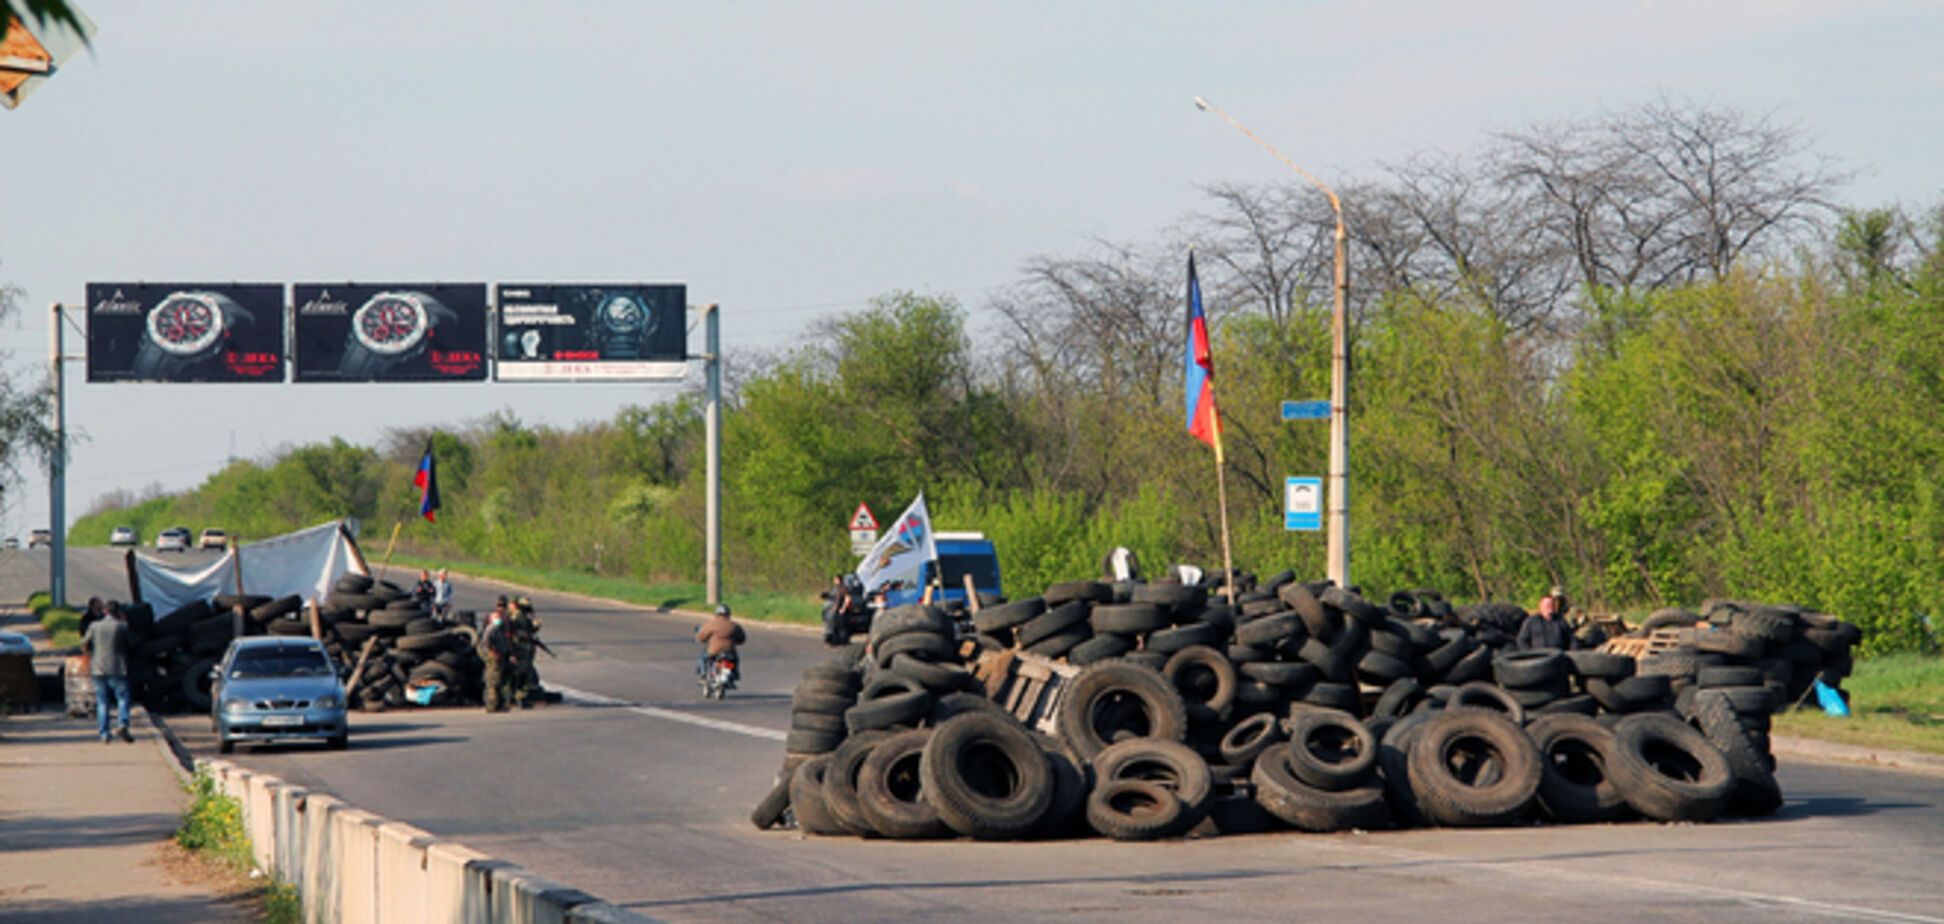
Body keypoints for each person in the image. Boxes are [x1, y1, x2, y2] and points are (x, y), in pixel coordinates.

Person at [81, 602, 132, 742]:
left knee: (102, 701)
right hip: (118, 667)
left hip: (98, 667)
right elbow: (131, 643)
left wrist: (91, 654)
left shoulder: (94, 626)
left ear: (104, 611)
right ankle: (122, 723)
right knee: (122, 697)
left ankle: (104, 733)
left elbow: (84, 642)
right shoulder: (122, 626)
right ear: (118, 612)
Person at [478, 608, 519, 713]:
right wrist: (492, 653)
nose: (499, 620)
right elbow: (486, 644)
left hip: (501, 658)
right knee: (493, 682)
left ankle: (500, 704)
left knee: (500, 681)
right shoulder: (491, 630)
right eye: (497, 618)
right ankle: (492, 705)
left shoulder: (499, 629)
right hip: (494, 660)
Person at [1516, 586, 1577, 651]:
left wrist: (1572, 654)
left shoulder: (1561, 621)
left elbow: (1572, 640)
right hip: (1538, 657)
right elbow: (1521, 640)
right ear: (1540, 606)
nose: (1549, 607)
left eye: (1551, 605)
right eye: (1547, 605)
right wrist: (1529, 655)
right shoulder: (1530, 621)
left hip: (1558, 656)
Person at [695, 604, 746, 680]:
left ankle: (703, 673)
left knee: (703, 657)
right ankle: (735, 673)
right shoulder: (734, 625)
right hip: (729, 650)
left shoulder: (711, 624)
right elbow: (742, 638)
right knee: (735, 660)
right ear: (728, 614)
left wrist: (700, 639)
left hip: (713, 651)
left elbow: (701, 636)